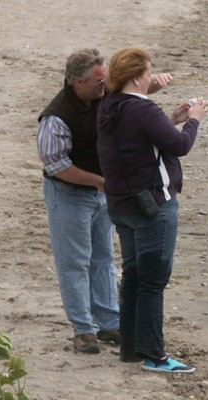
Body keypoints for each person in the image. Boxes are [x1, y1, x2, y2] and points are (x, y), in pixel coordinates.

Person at [36, 48, 172, 354]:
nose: (105, 85)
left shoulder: (104, 94)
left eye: (106, 78)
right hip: (68, 193)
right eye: (99, 81)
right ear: (76, 82)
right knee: (74, 262)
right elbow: (57, 166)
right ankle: (83, 330)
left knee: (104, 260)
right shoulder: (56, 118)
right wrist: (100, 182)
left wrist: (154, 82)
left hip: (102, 194)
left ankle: (109, 323)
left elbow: (130, 92)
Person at [97, 46, 207, 373]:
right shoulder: (143, 110)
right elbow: (180, 146)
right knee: (152, 280)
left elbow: (139, 140)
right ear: (136, 76)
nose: (152, 76)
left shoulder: (108, 106)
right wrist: (194, 121)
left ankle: (131, 349)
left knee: (133, 275)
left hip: (122, 205)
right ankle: (154, 355)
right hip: (152, 206)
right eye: (148, 71)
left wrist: (172, 119)